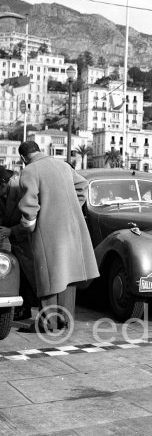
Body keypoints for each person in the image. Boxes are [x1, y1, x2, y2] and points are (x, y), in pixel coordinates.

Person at [17, 141, 99, 332]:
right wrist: (71, 207)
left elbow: (29, 206)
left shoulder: (30, 171)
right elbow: (83, 185)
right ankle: (65, 320)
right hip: (71, 227)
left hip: (47, 229)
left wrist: (27, 227)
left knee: (48, 276)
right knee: (68, 274)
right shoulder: (63, 165)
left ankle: (47, 323)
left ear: (23, 158)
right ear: (39, 150)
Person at [0, 166, 37, 320]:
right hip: (8, 239)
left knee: (25, 273)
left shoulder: (21, 190)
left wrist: (11, 231)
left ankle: (25, 308)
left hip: (25, 238)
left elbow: (30, 219)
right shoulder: (2, 192)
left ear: (3, 184)